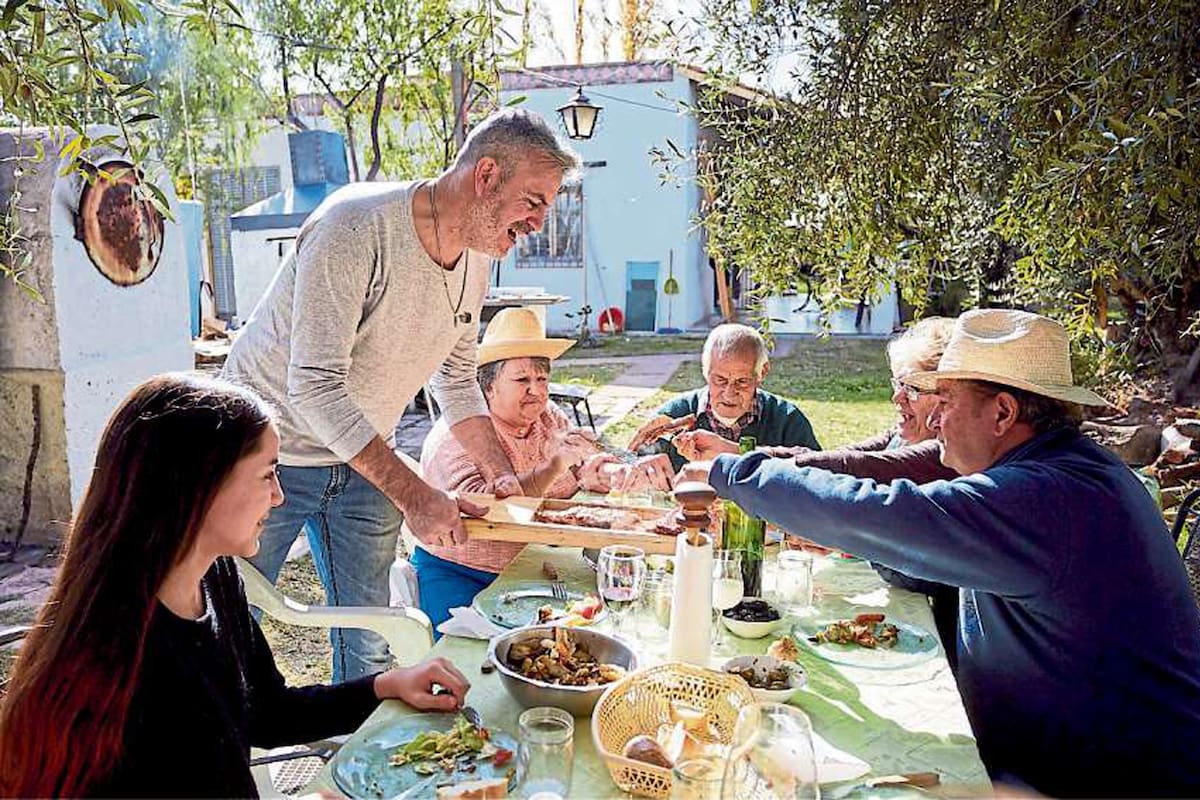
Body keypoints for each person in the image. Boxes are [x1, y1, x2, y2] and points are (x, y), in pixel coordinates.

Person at [697, 309, 1200, 796]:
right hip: (1045, 759)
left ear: (1003, 412)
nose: (933, 418)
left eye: (946, 400)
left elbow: (880, 512)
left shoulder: (1047, 498)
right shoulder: (1053, 471)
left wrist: (731, 473)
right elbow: (914, 548)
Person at [222, 109, 581, 681]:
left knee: (370, 636)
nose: (540, 222)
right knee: (229, 629)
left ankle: (350, 764)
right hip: (264, 457)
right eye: (534, 200)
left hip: (363, 457)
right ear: (486, 175)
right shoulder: (355, 226)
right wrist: (417, 494)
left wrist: (499, 471)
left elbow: (458, 377)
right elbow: (312, 383)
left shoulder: (480, 258)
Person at [0, 374, 470, 798]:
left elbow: (266, 712)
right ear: (197, 487)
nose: (280, 496)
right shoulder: (120, 664)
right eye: (268, 473)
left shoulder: (215, 576)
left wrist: (387, 684)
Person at [677, 318, 962, 662]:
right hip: (901, 605)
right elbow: (836, 460)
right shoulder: (904, 432)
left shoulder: (948, 453)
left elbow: (862, 474)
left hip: (940, 628)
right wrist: (734, 452)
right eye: (897, 383)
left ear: (948, 399)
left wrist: (731, 467)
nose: (895, 397)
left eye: (912, 389)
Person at [417, 307, 674, 627]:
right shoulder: (457, 434)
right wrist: (554, 466)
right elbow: (485, 507)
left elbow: (580, 468)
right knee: (468, 662)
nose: (536, 390)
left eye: (542, 378)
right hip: (459, 571)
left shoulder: (547, 415)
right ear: (488, 386)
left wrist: (613, 473)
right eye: (522, 379)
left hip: (530, 564)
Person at [628, 323, 821, 471]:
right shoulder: (674, 416)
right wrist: (642, 465)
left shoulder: (787, 420)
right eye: (720, 380)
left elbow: (817, 478)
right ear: (706, 372)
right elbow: (632, 468)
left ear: (762, 372)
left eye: (742, 381)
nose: (729, 393)